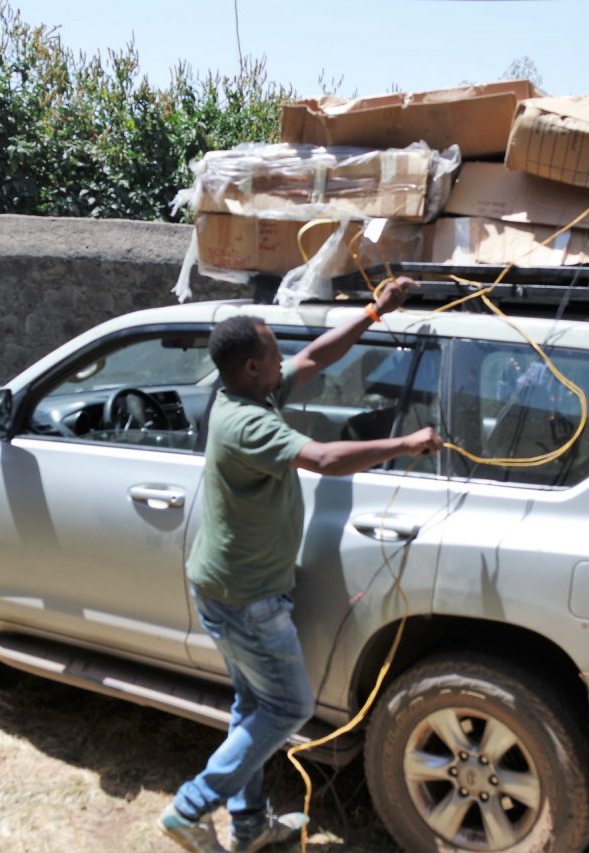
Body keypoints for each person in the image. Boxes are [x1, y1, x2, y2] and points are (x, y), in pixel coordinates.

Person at [158, 277, 444, 853]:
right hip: (245, 596)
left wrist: (373, 312)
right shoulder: (247, 423)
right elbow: (324, 458)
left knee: (253, 706)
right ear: (250, 369)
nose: (283, 359)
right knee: (288, 707)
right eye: (271, 354)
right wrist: (405, 443)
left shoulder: (250, 392)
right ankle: (189, 809)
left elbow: (316, 355)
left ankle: (247, 828)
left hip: (227, 585)